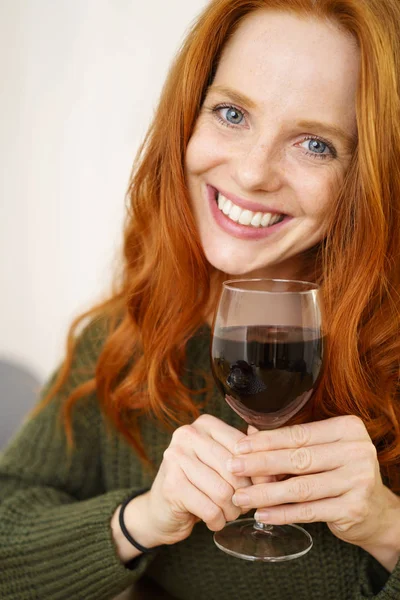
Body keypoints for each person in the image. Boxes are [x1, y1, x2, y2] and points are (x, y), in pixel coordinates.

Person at [2, 0, 400, 598]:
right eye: (233, 112)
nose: (251, 172)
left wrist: (386, 527)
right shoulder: (126, 336)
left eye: (316, 144)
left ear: (372, 173)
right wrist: (140, 519)